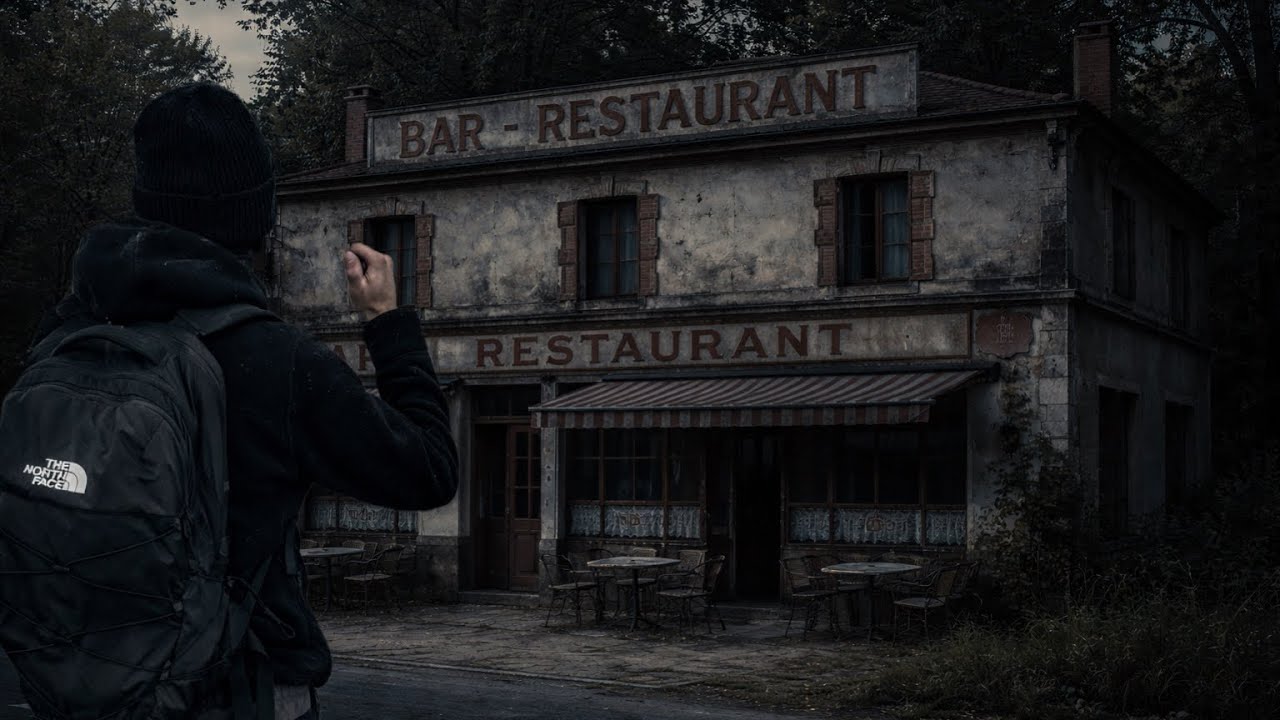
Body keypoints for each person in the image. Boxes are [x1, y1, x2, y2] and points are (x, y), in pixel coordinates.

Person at [24, 83, 459, 718]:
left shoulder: (64, 334)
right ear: (255, 215)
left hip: (79, 678)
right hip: (236, 687)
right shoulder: (274, 359)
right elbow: (430, 470)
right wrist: (388, 325)